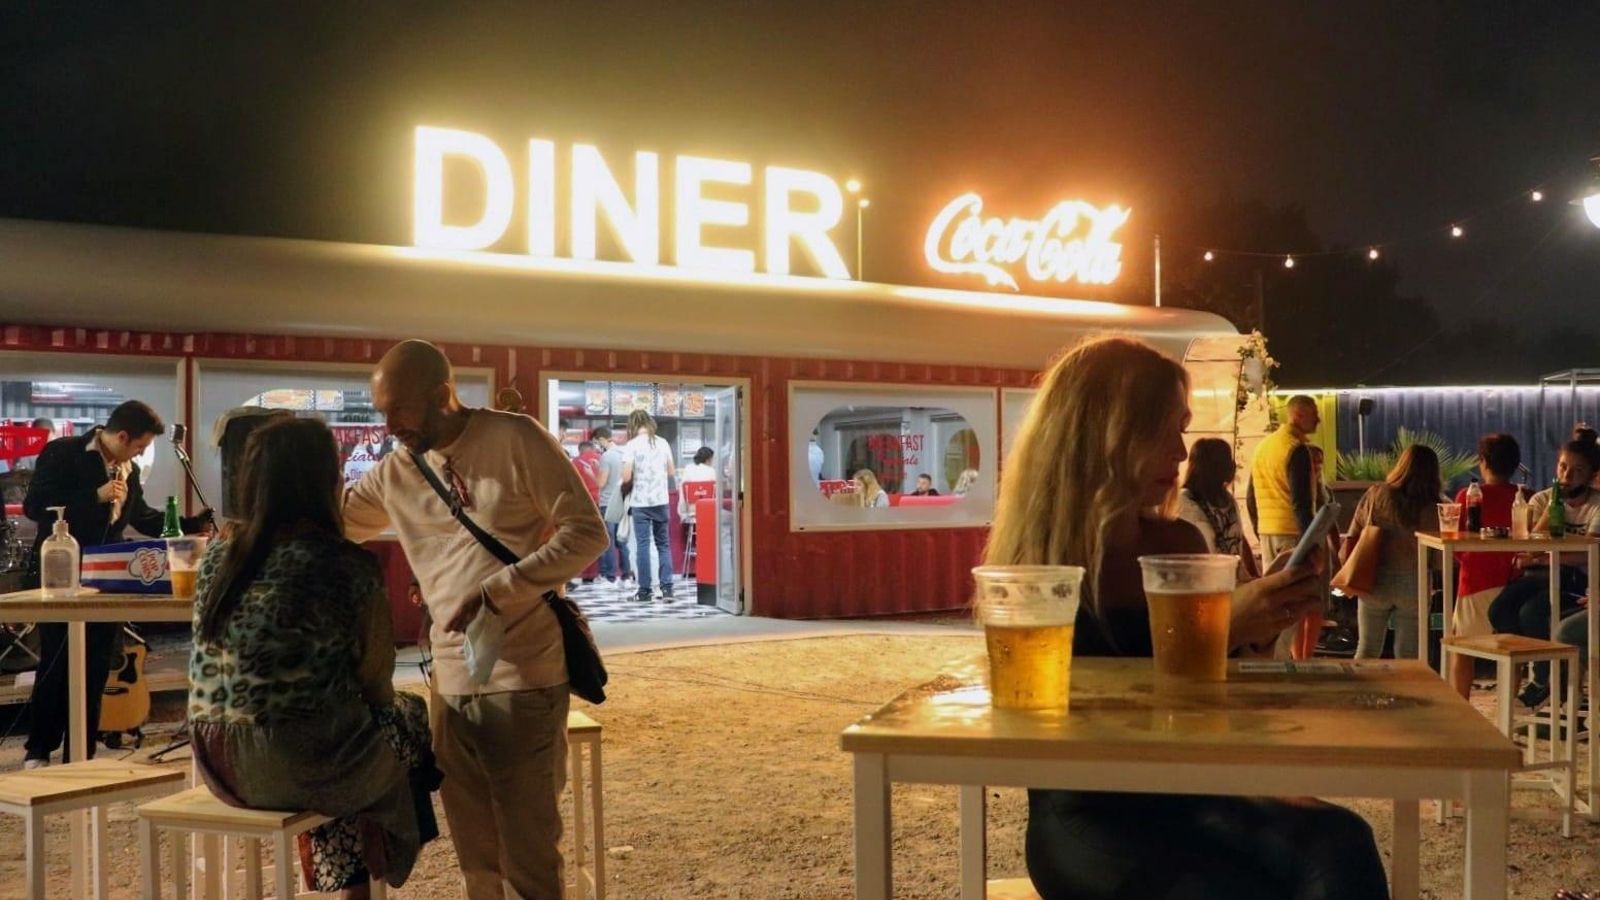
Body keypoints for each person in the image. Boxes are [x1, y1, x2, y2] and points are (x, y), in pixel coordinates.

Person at [986, 337, 1386, 900]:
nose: (1180, 452)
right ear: (1096, 434)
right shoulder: (1038, 573)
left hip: (1196, 793)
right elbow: (1050, 723)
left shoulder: (1180, 544)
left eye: (1182, 426)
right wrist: (1222, 626)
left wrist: (1258, 629)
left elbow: (1211, 700)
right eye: (1160, 428)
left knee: (1342, 841)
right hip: (1091, 814)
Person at [343, 340, 608, 899]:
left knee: (529, 849)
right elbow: (334, 522)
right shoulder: (395, 472)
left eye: (399, 410)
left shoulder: (515, 438)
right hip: (450, 679)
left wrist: (498, 593)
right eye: (382, 412)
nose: (389, 426)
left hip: (525, 673)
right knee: (476, 854)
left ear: (442, 395)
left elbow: (586, 533)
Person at [189, 418, 437, 898]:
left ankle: (358, 879)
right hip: (301, 761)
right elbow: (377, 685)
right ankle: (375, 872)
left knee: (339, 734)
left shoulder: (218, 559)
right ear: (330, 480)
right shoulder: (345, 563)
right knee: (406, 720)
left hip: (218, 761)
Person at [21, 400, 210, 768]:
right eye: (139, 446)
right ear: (122, 436)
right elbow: (35, 505)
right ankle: (39, 747)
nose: (140, 453)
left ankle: (81, 750)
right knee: (57, 660)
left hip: (108, 577)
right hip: (61, 572)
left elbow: (142, 518)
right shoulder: (63, 453)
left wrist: (191, 524)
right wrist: (95, 496)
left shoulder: (130, 470)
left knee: (96, 663)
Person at [1490, 427, 1600, 709]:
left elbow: (1591, 552)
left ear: (1591, 475)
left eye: (1577, 471)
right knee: (1500, 609)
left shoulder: (1596, 506)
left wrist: (1546, 555)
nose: (1567, 476)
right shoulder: (1540, 499)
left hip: (1576, 581)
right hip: (1539, 576)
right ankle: (1527, 672)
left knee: (1534, 612)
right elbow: (1528, 549)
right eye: (1563, 467)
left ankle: (1544, 682)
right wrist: (1555, 505)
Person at [1343, 445, 1442, 662]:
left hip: (1374, 579)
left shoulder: (1377, 493)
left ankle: (1359, 693)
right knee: (1408, 656)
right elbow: (1438, 559)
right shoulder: (1435, 507)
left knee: (1367, 649)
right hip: (1415, 584)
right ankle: (1404, 696)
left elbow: (1354, 534)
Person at [1441, 434, 1521, 696]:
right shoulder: (1526, 497)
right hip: (1517, 584)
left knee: (1463, 651)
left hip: (1475, 581)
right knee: (1513, 652)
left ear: (1482, 461)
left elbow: (1456, 541)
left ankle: (1462, 710)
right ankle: (1506, 718)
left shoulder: (1468, 495)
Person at [1247, 394, 1320, 656]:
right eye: (1315, 414)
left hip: (1268, 532)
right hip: (1291, 535)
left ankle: (1268, 659)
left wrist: (1260, 527)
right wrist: (1310, 543)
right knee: (1291, 609)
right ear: (1298, 415)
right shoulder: (1295, 449)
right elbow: (1301, 503)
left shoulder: (1263, 448)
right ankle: (1279, 664)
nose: (1319, 420)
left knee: (1273, 605)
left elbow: (1250, 497)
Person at [1174, 438, 1259, 582]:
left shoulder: (1227, 499)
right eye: (1226, 460)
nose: (1233, 465)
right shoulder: (1185, 502)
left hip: (1233, 587)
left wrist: (1254, 575)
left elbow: (1240, 538)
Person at [622, 409, 678, 603]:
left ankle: (645, 591)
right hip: (661, 501)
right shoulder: (662, 443)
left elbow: (626, 477)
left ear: (633, 425)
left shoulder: (631, 445)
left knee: (643, 546)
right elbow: (671, 471)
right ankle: (667, 588)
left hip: (641, 503)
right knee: (663, 544)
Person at [591, 426, 635, 593]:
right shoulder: (623, 454)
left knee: (608, 541)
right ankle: (626, 576)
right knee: (621, 540)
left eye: (597, 442)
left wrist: (591, 472)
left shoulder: (606, 456)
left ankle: (609, 577)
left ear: (602, 439)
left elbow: (601, 483)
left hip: (607, 503)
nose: (597, 445)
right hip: (622, 501)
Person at [678, 446, 716, 524]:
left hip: (690, 510)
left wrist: (683, 512)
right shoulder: (711, 471)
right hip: (707, 509)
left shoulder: (688, 469)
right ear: (708, 459)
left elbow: (682, 491)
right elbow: (715, 492)